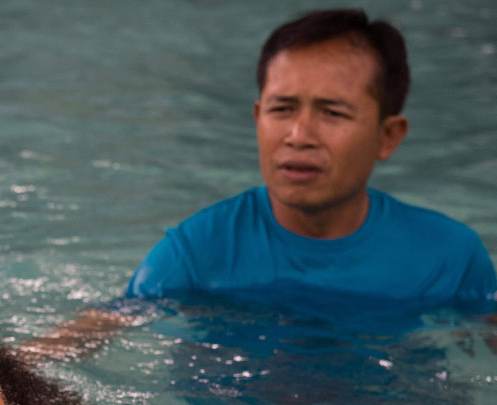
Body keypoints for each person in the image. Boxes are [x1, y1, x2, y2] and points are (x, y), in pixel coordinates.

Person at [127, 8, 496, 305]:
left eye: (332, 113)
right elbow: (87, 339)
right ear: (257, 119)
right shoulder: (196, 255)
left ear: (387, 136)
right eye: (282, 109)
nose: (299, 136)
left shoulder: (449, 261)